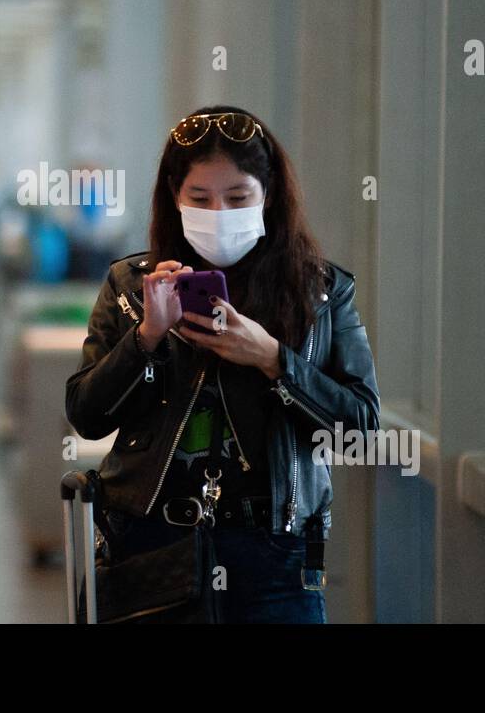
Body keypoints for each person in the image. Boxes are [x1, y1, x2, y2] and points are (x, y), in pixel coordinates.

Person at [65, 105, 381, 623]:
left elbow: (361, 428)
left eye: (237, 198)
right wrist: (146, 337)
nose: (218, 212)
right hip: (151, 546)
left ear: (268, 196)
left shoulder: (319, 293)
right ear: (175, 196)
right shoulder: (130, 288)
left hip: (276, 557)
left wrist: (273, 359)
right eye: (200, 198)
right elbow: (86, 414)